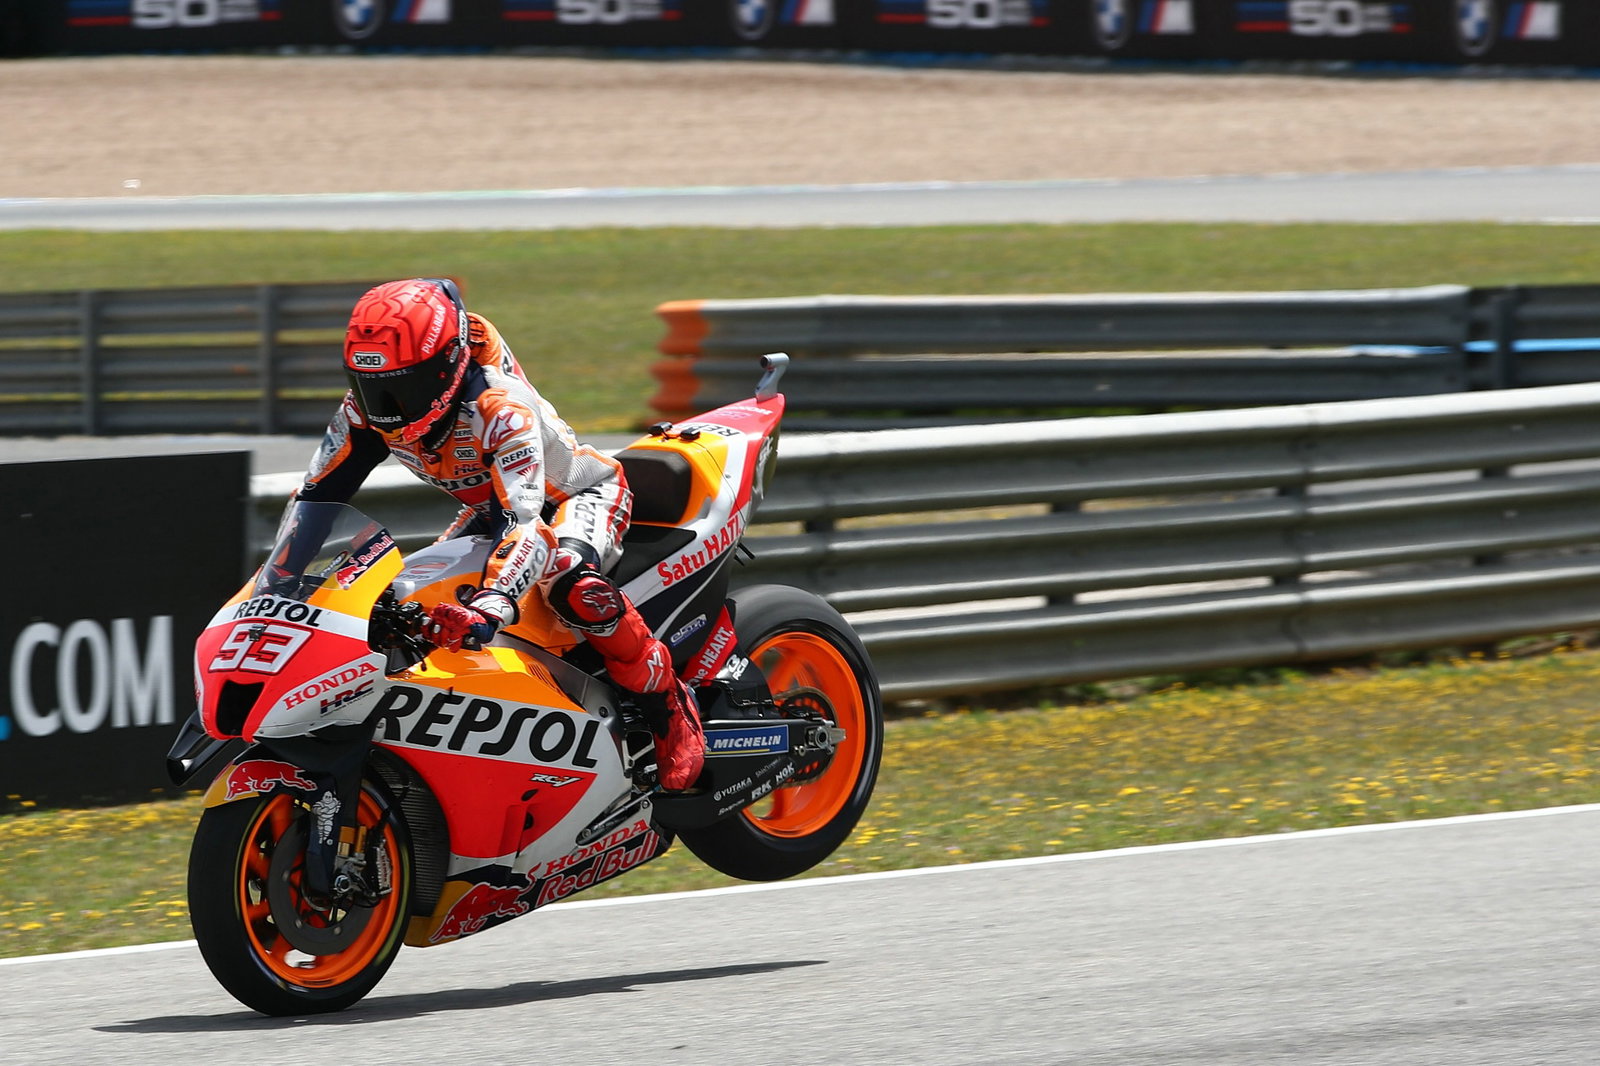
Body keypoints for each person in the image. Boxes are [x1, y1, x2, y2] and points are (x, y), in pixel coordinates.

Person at [293, 277, 705, 790]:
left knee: (570, 584)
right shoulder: (364, 414)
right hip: (492, 507)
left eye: (405, 385)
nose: (388, 407)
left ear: (445, 365)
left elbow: (527, 526)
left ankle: (668, 704)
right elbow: (312, 502)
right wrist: (279, 584)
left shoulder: (497, 407)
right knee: (409, 597)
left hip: (573, 497)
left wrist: (490, 605)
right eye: (371, 386)